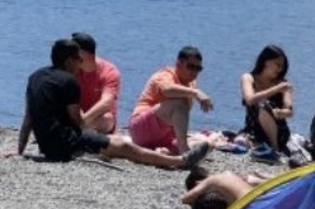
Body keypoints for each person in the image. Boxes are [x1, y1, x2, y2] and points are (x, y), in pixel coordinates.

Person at [11, 38, 211, 170]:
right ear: (69, 61)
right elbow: (77, 122)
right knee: (123, 146)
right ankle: (178, 161)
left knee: (114, 142)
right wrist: (90, 140)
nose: (81, 65)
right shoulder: (69, 81)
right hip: (65, 145)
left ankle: (173, 155)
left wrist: (20, 150)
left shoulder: (35, 76)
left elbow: (28, 117)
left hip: (46, 146)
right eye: (78, 61)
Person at [130, 46, 215, 155]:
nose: (194, 72)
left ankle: (164, 152)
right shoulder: (164, 75)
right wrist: (195, 92)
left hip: (164, 135)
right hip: (141, 128)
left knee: (207, 145)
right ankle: (184, 153)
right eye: (191, 67)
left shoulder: (191, 84)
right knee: (178, 103)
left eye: (198, 68)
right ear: (178, 64)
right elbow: (167, 90)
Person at [240, 45, 293, 154]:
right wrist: (276, 89)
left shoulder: (283, 83)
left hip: (279, 132)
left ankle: (275, 149)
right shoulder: (248, 78)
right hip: (253, 130)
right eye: (278, 65)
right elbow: (250, 99)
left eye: (282, 66)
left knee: (264, 106)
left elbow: (289, 110)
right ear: (266, 62)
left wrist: (282, 113)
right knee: (262, 104)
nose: (280, 69)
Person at [71, 32, 120, 133]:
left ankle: (78, 131)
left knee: (107, 119)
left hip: (98, 118)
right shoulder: (72, 69)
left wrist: (82, 122)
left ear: (82, 54)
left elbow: (106, 102)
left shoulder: (109, 71)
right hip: (77, 116)